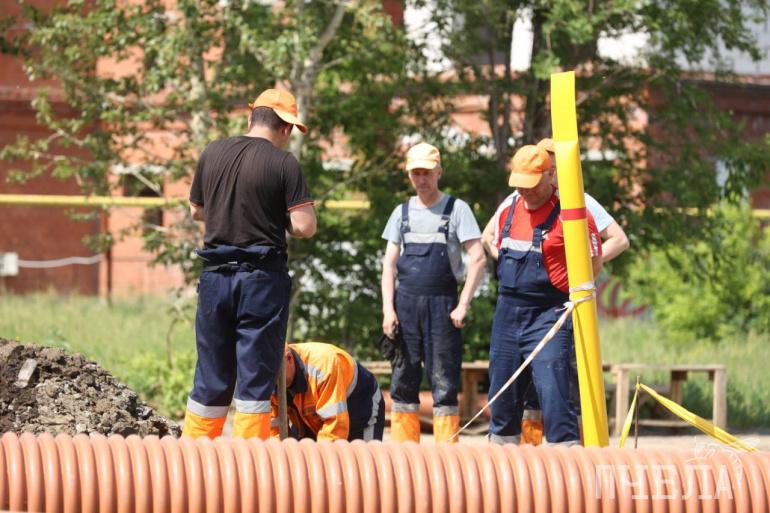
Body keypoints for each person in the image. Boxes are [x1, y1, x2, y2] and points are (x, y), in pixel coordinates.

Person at [182, 89, 317, 439]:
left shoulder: (212, 151)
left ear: (251, 117)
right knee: (254, 380)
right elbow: (304, 226)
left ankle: (192, 457)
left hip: (215, 278)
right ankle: (248, 464)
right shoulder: (283, 163)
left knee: (210, 375)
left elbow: (196, 210)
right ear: (286, 128)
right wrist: (272, 215)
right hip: (260, 281)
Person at [481, 137, 630, 444]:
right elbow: (490, 239)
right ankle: (501, 462)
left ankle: (564, 459)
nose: (524, 191)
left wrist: (572, 280)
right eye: (520, 184)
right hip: (508, 312)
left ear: (550, 174)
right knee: (502, 392)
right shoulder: (509, 206)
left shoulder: (575, 210)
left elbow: (597, 259)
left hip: (550, 313)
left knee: (554, 389)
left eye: (531, 184)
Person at [381, 142, 486, 443]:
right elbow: (389, 265)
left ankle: (446, 455)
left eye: (427, 173)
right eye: (416, 173)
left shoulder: (457, 210)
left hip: (443, 307)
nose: (422, 179)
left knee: (444, 380)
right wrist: (388, 310)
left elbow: (478, 257)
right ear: (409, 175)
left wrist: (463, 304)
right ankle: (405, 454)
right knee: (403, 378)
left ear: (439, 172)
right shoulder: (400, 213)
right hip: (405, 306)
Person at [270, 342, 385, 441]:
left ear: (289, 358)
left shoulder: (323, 368)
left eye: (276, 373)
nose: (272, 380)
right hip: (312, 419)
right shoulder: (269, 382)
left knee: (362, 458)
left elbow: (335, 427)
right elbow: (275, 431)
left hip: (360, 408)